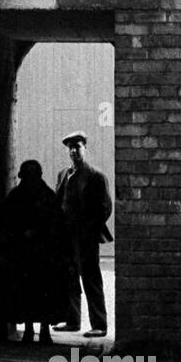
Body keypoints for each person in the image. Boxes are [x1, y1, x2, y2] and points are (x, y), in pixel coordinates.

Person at [53, 131, 113, 338]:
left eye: (77, 147)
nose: (73, 151)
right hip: (66, 237)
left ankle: (100, 324)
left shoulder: (96, 176)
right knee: (70, 277)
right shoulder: (63, 175)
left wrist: (89, 229)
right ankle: (72, 320)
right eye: (70, 148)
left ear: (85, 148)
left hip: (86, 237)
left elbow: (105, 208)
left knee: (91, 277)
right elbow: (57, 203)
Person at [1, 159, 68, 345]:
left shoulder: (43, 197)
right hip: (25, 255)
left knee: (41, 292)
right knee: (29, 293)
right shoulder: (27, 197)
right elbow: (6, 223)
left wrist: (37, 233)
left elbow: (56, 225)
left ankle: (42, 330)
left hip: (41, 255)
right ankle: (32, 330)